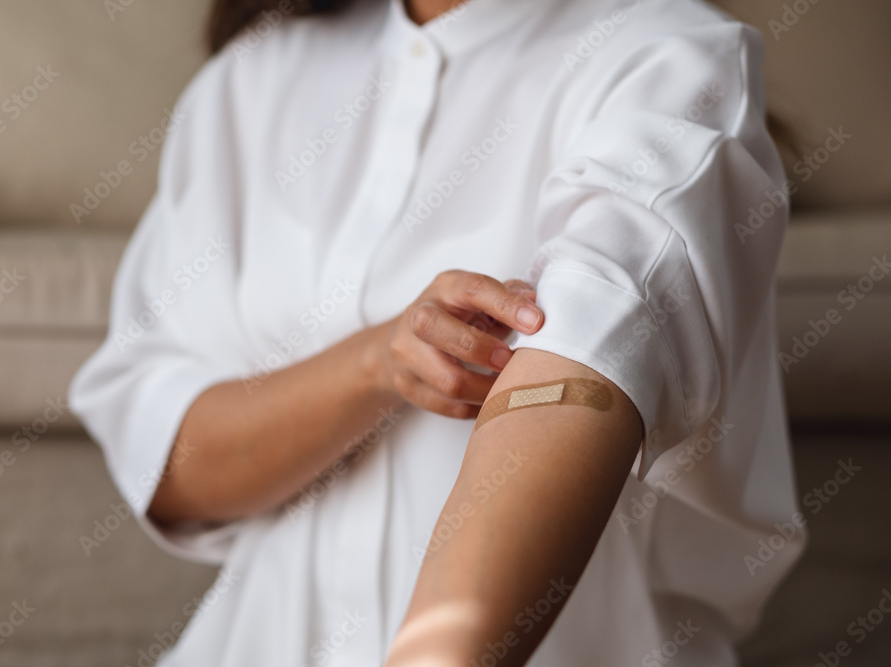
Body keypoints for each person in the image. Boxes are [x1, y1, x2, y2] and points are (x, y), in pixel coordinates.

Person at [69, 0, 807, 664]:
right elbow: (167, 462)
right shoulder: (249, 81)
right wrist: (375, 364)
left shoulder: (671, 58)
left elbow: (588, 362)